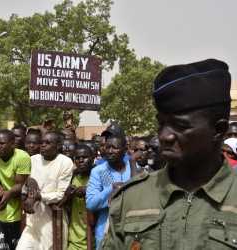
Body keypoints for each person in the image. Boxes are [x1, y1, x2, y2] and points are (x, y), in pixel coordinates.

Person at [100, 59, 237, 249]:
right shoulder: (131, 197)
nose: (165, 136)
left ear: (218, 130)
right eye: (161, 123)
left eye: (180, 126)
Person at [17, 132, 74, 250]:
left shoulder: (65, 162)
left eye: (48, 142)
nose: (43, 145)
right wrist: (29, 181)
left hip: (52, 221)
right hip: (32, 222)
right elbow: (23, 188)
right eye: (41, 142)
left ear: (58, 146)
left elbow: (61, 194)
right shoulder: (32, 160)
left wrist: (39, 196)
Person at [0, 130, 31, 249]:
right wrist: (0, 196)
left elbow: (20, 184)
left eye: (1, 143)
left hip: (21, 213)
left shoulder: (22, 157)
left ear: (12, 144)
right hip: (2, 214)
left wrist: (8, 194)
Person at [86, 134, 131, 249]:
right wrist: (112, 188)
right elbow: (91, 203)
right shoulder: (98, 171)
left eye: (115, 148)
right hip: (106, 233)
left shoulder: (133, 167)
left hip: (131, 231)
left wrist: (120, 188)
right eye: (107, 147)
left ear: (125, 150)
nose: (110, 151)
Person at [65, 145, 96, 250]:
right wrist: (68, 195)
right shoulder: (72, 178)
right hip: (74, 241)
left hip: (94, 240)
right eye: (77, 158)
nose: (81, 160)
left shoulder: (98, 178)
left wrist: (89, 191)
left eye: (85, 157)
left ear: (92, 158)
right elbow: (68, 208)